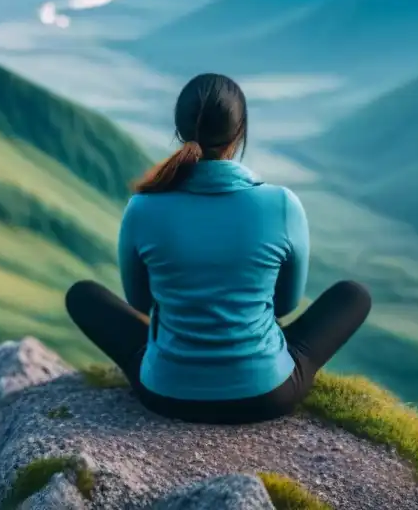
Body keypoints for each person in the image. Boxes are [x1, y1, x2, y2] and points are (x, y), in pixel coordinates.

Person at [65, 72, 371, 425]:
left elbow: (140, 303)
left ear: (180, 133)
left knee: (83, 296)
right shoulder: (283, 204)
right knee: (354, 295)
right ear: (240, 132)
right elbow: (283, 306)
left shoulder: (144, 207)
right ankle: (251, 355)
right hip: (267, 395)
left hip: (167, 394)